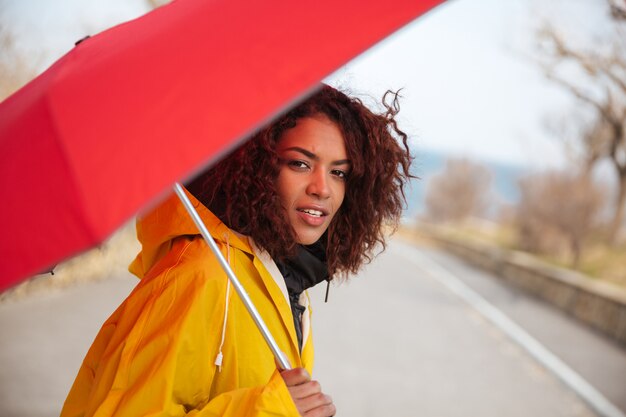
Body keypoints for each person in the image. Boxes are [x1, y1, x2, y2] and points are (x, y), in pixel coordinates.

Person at [61, 84, 413, 417]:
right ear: (259, 168)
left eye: (338, 173)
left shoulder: (282, 280)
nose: (323, 188)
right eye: (300, 164)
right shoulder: (201, 276)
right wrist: (269, 410)